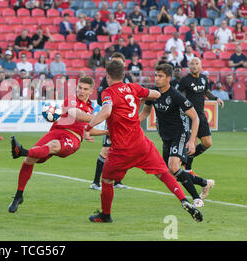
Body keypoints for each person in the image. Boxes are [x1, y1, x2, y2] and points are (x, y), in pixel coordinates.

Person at [85, 59, 203, 223]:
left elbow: (106, 110)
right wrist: (144, 95)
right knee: (163, 172)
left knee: (106, 179)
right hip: (141, 144)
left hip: (121, 150)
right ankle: (183, 199)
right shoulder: (133, 88)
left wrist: (88, 127)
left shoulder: (108, 93)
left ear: (107, 76)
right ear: (124, 75)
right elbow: (154, 94)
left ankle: (106, 215)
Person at [9, 76, 108, 213]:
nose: (81, 91)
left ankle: (22, 151)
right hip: (56, 131)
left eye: (85, 89)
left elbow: (89, 131)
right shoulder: (71, 99)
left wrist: (106, 132)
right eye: (79, 87)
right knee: (30, 159)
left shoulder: (91, 107)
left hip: (73, 138)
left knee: (53, 145)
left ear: (91, 91)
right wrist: (101, 116)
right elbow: (75, 114)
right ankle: (18, 196)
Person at [140, 64, 214, 207]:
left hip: (179, 135)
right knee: (168, 172)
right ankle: (205, 183)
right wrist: (132, 123)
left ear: (168, 78)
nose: (156, 78)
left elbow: (195, 117)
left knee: (173, 167)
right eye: (156, 75)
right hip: (165, 137)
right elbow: (146, 112)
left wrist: (192, 141)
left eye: (160, 76)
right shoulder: (153, 93)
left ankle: (196, 198)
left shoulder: (176, 96)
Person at [90, 53, 132, 191]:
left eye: (119, 62)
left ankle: (118, 181)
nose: (117, 65)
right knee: (106, 149)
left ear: (124, 64)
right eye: (115, 62)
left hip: (125, 120)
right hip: (112, 119)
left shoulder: (129, 79)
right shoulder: (105, 80)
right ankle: (96, 182)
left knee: (122, 149)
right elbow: (99, 100)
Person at [178, 58, 224, 173]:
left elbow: (206, 92)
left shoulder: (203, 79)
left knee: (207, 143)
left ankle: (184, 160)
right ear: (189, 66)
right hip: (190, 115)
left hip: (201, 115)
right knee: (192, 143)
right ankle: (188, 170)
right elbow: (177, 94)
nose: (194, 66)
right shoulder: (185, 80)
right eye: (192, 64)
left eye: (197, 63)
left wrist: (216, 98)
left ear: (200, 65)